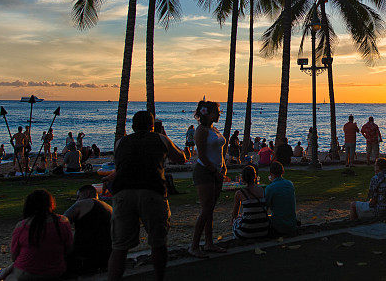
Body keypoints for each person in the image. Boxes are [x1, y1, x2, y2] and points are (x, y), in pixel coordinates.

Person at [107, 110, 186, 281]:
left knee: (119, 246)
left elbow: (120, 165)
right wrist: (164, 134)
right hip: (152, 192)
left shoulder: (120, 142)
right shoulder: (160, 139)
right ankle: (159, 277)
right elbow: (181, 158)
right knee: (158, 242)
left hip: (123, 194)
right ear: (152, 126)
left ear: (133, 126)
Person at [0, 189, 73, 281]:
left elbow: (14, 256)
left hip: (28, 272)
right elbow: (68, 248)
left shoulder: (22, 226)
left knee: (10, 274)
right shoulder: (62, 222)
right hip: (56, 270)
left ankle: (3, 273)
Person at [189, 100, 227, 258]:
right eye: (217, 111)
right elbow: (202, 156)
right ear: (207, 113)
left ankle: (209, 243)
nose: (219, 113)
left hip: (216, 171)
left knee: (210, 209)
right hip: (205, 172)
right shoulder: (201, 131)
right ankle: (194, 245)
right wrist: (214, 170)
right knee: (206, 209)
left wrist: (223, 167)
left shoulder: (214, 128)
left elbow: (219, 149)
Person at [64, 184, 112, 275]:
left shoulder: (83, 203)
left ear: (87, 193)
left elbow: (61, 222)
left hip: (85, 256)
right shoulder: (109, 208)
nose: (77, 200)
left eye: (78, 196)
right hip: (108, 257)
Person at [232, 165, 269, 239]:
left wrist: (238, 217)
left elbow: (234, 214)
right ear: (255, 177)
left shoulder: (240, 193)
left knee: (235, 220)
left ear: (242, 178)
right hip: (264, 229)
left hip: (246, 232)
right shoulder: (261, 190)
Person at [265, 161, 297, 236]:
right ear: (282, 172)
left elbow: (265, 207)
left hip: (278, 226)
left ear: (271, 173)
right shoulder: (290, 184)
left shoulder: (270, 188)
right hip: (292, 223)